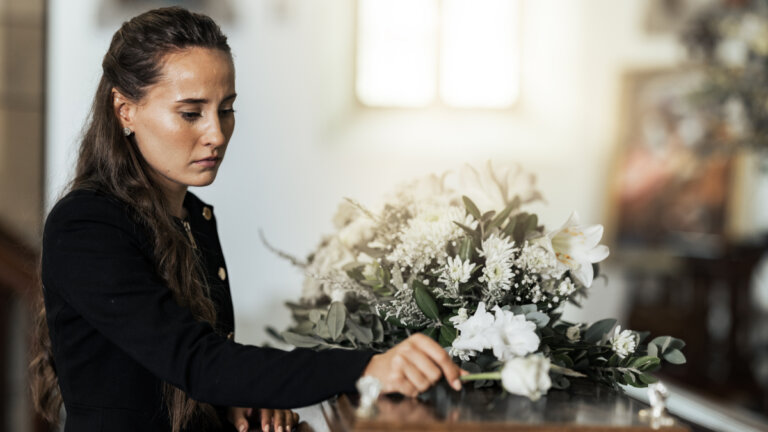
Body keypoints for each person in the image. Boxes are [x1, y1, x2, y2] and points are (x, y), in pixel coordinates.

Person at [29, 7, 464, 432]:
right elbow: (197, 362)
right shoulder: (86, 225)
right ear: (125, 109)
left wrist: (232, 400)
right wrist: (366, 367)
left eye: (226, 109)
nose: (216, 134)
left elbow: (184, 367)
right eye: (191, 113)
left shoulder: (193, 216)